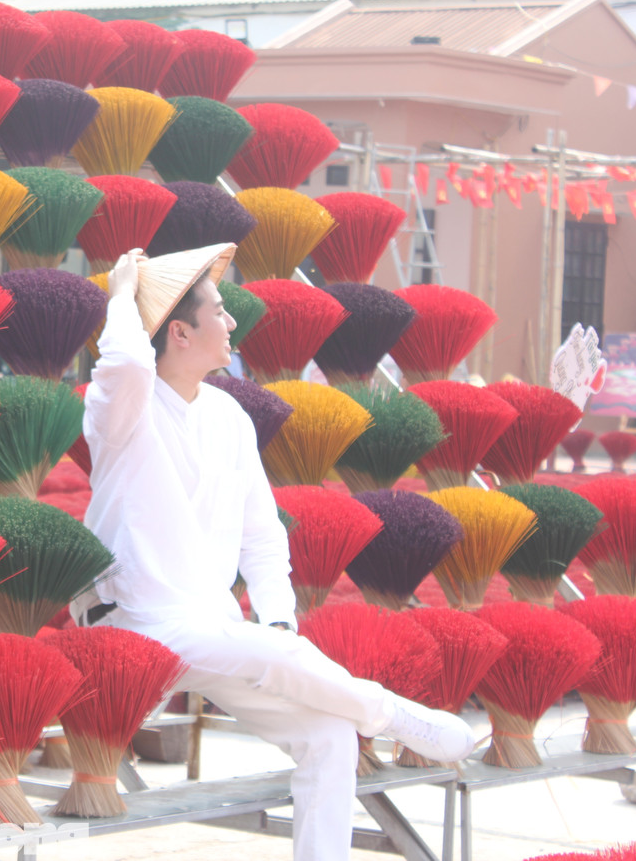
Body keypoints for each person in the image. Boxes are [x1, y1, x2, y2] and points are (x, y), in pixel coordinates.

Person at [74, 245, 476, 861]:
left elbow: (262, 534)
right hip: (137, 626)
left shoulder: (230, 415)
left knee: (328, 733)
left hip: (215, 631)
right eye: (219, 310)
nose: (233, 322)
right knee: (278, 660)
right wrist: (123, 294)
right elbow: (127, 361)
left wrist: (280, 619)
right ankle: (392, 715)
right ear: (179, 332)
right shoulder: (124, 412)